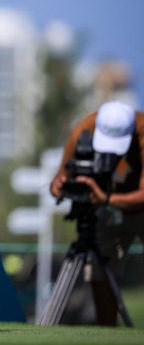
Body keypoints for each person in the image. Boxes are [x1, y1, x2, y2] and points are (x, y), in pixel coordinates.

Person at [50, 100, 144, 326]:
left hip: (133, 204)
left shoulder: (142, 131)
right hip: (108, 209)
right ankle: (107, 334)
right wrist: (60, 187)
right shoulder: (84, 129)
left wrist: (106, 198)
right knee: (100, 269)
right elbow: (57, 179)